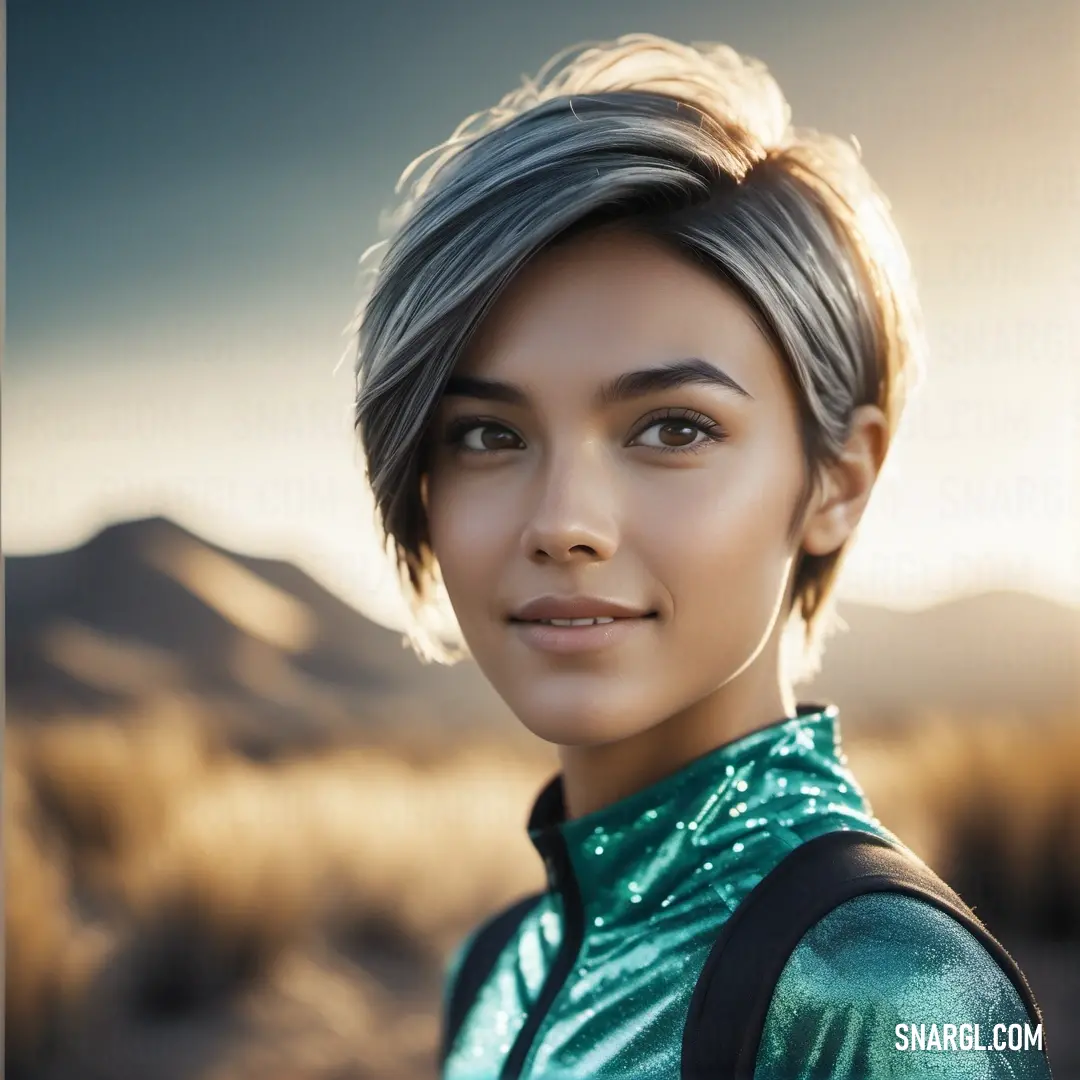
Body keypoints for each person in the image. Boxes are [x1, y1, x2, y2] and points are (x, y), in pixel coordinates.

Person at [351, 32, 1052, 1080]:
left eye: (673, 428)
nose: (563, 522)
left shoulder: (890, 988)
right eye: (488, 434)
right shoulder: (495, 968)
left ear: (837, 479)